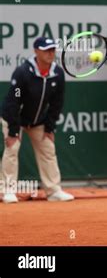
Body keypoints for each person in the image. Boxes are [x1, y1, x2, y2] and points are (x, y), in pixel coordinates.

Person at [0, 37, 74, 204]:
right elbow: (13, 102)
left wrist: (49, 128)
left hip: (38, 121)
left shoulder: (58, 73)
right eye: (46, 50)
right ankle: (7, 191)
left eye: (52, 50)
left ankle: (54, 191)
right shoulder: (23, 72)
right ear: (36, 51)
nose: (50, 53)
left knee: (48, 150)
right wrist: (13, 131)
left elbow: (57, 104)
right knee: (12, 149)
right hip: (14, 118)